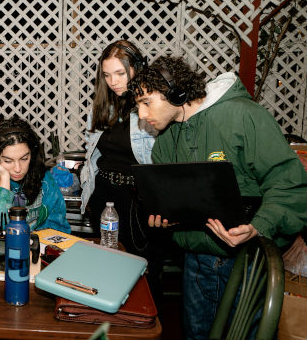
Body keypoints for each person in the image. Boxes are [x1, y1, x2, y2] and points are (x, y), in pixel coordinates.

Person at [128, 56, 307, 339]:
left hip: (248, 262)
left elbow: (289, 184)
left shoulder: (243, 116)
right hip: (196, 261)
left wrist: (258, 227)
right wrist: (166, 218)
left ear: (176, 93)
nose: (141, 114)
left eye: (146, 102)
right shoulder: (164, 143)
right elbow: (179, 204)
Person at [80, 39, 164, 315]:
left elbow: (161, 160)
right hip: (104, 196)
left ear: (137, 68)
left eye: (120, 73)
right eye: (107, 75)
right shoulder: (106, 105)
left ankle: (146, 325)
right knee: (108, 270)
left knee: (144, 272)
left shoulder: (151, 106)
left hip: (136, 200)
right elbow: (94, 153)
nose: (113, 81)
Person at [0, 115, 70, 236]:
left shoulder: (44, 178)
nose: (18, 169)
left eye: (24, 158)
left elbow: (59, 225)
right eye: (8, 161)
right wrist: (4, 177)